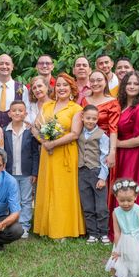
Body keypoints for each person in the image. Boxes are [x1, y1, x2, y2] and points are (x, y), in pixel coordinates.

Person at [33, 73, 85, 239]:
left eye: (65, 85)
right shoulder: (47, 106)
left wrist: (52, 144)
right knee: (48, 187)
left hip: (65, 153)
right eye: (59, 85)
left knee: (63, 191)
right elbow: (35, 127)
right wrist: (43, 141)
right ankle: (47, 227)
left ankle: (64, 229)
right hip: (47, 154)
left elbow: (75, 133)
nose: (61, 88)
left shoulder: (76, 109)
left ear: (71, 88)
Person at [113, 71, 139, 225]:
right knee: (121, 187)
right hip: (123, 154)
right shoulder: (123, 106)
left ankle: (134, 225)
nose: (131, 86)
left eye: (136, 83)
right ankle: (120, 224)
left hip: (136, 155)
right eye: (128, 83)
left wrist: (118, 144)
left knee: (129, 187)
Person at [3, 100, 39, 239]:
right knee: (12, 199)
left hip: (26, 173)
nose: (17, 113)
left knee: (26, 200)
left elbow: (35, 153)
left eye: (20, 110)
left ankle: (24, 226)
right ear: (9, 113)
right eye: (14, 110)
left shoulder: (30, 132)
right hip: (10, 173)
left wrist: (34, 172)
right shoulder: (4, 131)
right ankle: (12, 223)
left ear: (25, 113)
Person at [78, 105, 110, 244]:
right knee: (87, 205)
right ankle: (92, 233)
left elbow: (105, 157)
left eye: (94, 119)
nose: (91, 121)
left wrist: (103, 177)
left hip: (96, 172)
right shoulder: (78, 133)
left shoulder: (102, 136)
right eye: (88, 118)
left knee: (101, 206)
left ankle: (103, 233)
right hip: (82, 172)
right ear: (82, 117)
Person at [80, 69, 119, 164]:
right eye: (92, 81)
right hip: (86, 146)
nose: (95, 83)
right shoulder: (85, 100)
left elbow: (113, 128)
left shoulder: (113, 102)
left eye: (99, 80)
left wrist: (112, 152)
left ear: (105, 82)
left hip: (104, 145)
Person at [0, 53, 29, 128]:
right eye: (1, 64)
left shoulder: (22, 88)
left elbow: (27, 113)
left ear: (12, 67)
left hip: (14, 135)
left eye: (7, 64)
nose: (4, 66)